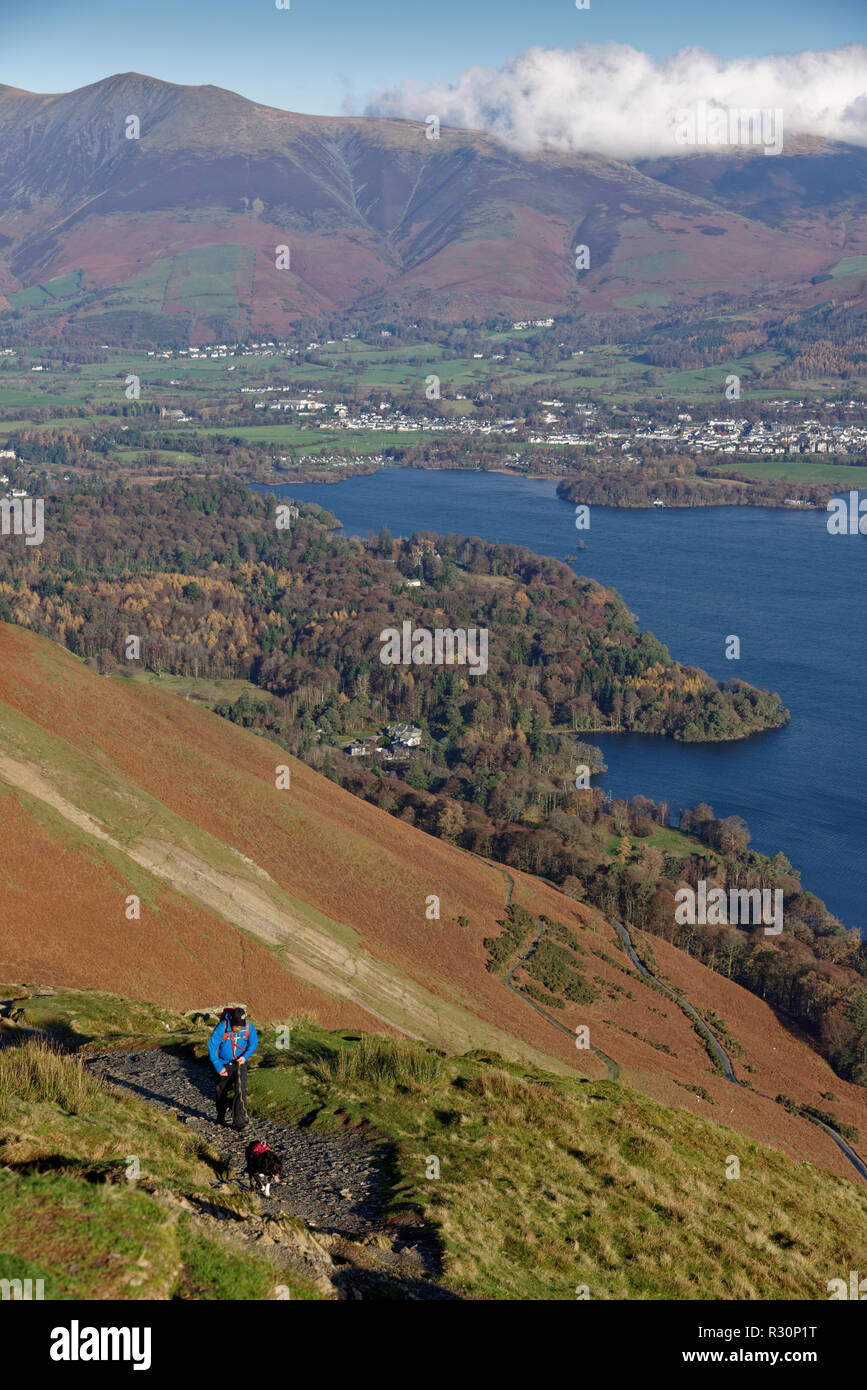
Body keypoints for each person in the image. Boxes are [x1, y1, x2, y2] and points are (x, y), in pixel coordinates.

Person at [208, 1006, 258, 1130]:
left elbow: (253, 1043)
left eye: (241, 1026)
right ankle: (221, 1116)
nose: (239, 1029)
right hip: (223, 1064)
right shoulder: (222, 1027)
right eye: (237, 1027)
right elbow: (212, 1047)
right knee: (221, 1090)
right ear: (232, 1022)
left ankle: (239, 1122)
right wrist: (219, 1067)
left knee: (240, 1091)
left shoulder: (248, 1027)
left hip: (240, 1063)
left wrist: (245, 1057)